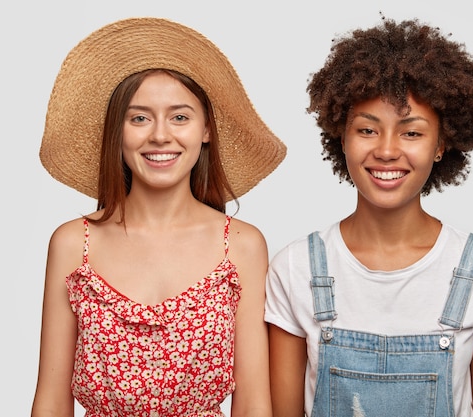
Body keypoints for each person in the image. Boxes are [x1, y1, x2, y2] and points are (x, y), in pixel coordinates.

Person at [265, 16, 473, 417]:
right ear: (342, 137)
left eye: (412, 132)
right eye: (367, 130)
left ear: (441, 145)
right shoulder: (295, 268)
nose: (386, 151)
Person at [31, 17, 286, 417]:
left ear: (206, 130)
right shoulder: (72, 244)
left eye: (180, 117)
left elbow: (254, 404)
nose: (160, 136)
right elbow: (50, 401)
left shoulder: (242, 245)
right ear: (117, 132)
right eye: (139, 118)